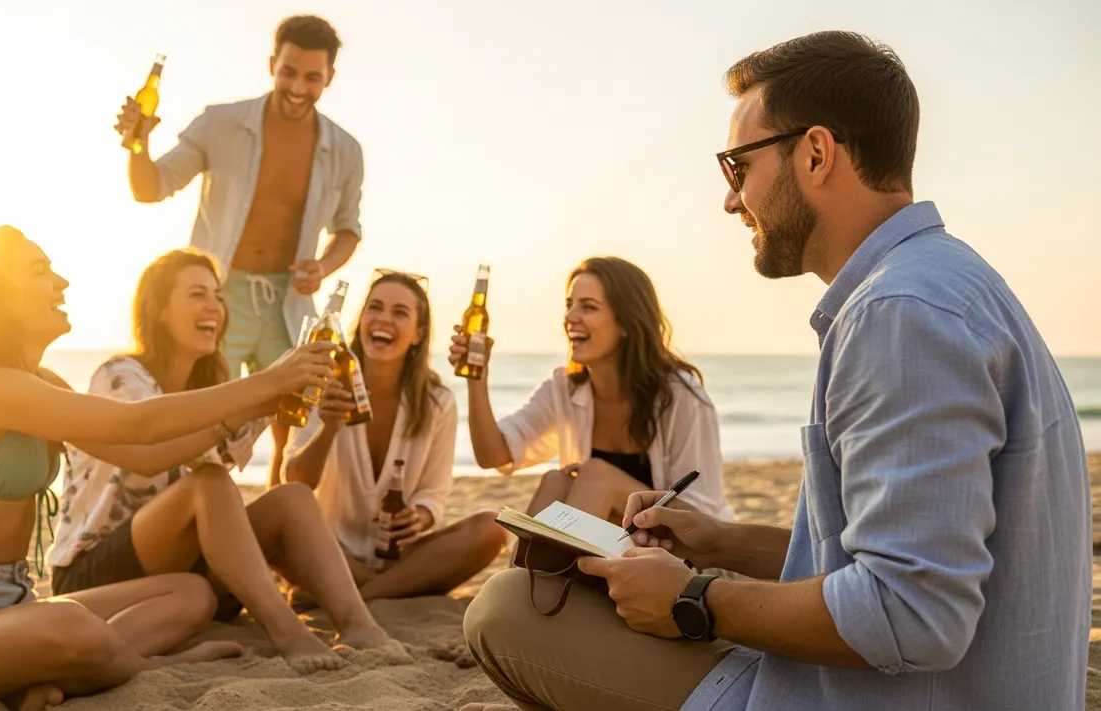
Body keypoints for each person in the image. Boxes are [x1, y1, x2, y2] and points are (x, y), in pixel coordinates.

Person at [460, 31, 1090, 711]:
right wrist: (718, 541)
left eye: (738, 166)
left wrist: (692, 597)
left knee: (508, 610)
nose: (732, 200)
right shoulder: (943, 284)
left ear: (816, 153)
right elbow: (897, 556)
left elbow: (913, 613)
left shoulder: (899, 314)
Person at [0, 226, 336, 709]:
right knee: (70, 625)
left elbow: (147, 453)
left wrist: (261, 404)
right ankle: (143, 666)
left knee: (191, 594)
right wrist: (267, 380)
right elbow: (140, 423)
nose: (62, 283)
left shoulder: (40, 383)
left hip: (12, 602)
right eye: (40, 272)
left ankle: (49, 678)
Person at [47, 249, 408, 674]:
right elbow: (160, 454)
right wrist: (261, 392)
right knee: (210, 483)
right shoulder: (119, 375)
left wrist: (295, 407)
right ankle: (288, 632)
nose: (214, 307)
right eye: (197, 294)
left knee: (290, 498)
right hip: (98, 570)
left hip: (184, 571)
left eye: (218, 296)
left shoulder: (214, 387)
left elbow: (219, 456)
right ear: (159, 310)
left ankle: (359, 625)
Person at [116, 14, 364, 489]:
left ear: (329, 77)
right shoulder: (219, 122)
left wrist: (324, 266)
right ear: (272, 63)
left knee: (295, 422)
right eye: (288, 72)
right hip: (219, 296)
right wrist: (138, 145)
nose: (297, 87)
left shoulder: (346, 150)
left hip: (289, 305)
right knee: (199, 418)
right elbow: (150, 188)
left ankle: (276, 520)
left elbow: (349, 230)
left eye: (312, 77)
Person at [448, 256, 733, 524]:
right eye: (569, 304)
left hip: (683, 555)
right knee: (556, 481)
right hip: (610, 549)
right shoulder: (565, 387)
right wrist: (477, 378)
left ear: (626, 323)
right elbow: (494, 456)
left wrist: (602, 481)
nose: (570, 317)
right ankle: (526, 575)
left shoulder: (681, 397)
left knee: (595, 474)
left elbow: (701, 518)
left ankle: (541, 575)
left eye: (588, 307)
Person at [283, 270, 508, 600]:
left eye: (399, 312)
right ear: (361, 321)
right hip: (330, 549)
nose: (383, 319)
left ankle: (362, 594)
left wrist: (420, 516)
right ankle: (389, 589)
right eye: (375, 307)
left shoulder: (437, 402)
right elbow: (295, 483)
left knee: (494, 527)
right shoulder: (323, 382)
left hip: (399, 558)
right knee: (284, 526)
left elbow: (434, 493)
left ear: (417, 334)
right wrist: (329, 427)